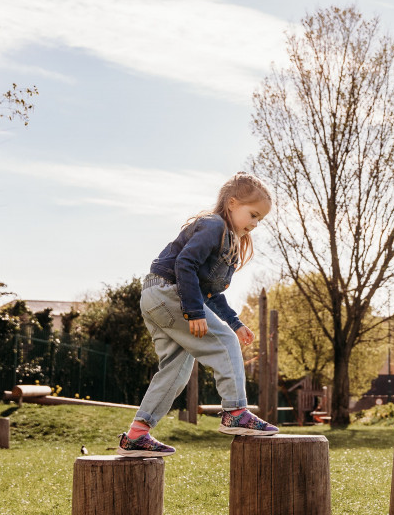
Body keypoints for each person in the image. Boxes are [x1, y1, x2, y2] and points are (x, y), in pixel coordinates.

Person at [116, 172, 279, 457]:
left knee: (176, 370)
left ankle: (137, 435)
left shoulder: (227, 240)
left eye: (259, 220)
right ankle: (235, 412)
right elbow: (185, 264)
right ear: (232, 203)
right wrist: (193, 312)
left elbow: (210, 294)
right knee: (225, 344)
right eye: (252, 215)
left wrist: (236, 323)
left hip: (157, 298)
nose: (254, 224)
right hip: (169, 291)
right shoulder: (213, 226)